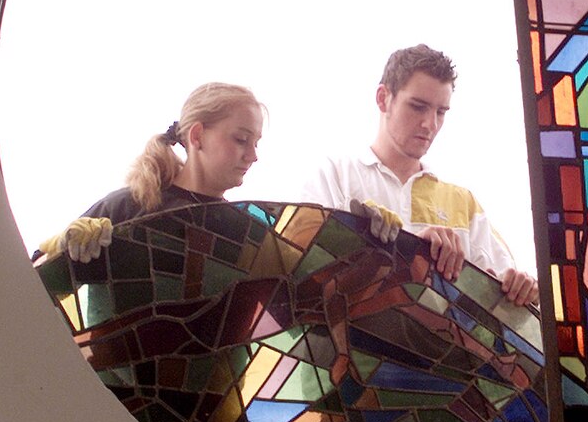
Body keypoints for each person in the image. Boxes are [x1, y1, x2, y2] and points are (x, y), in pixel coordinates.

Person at [301, 44, 539, 307]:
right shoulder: (335, 176)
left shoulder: (463, 203)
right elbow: (303, 273)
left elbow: (506, 308)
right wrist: (399, 247)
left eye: (441, 112)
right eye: (418, 107)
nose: (430, 124)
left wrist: (521, 289)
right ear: (383, 98)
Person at [36, 82, 264, 262]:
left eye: (256, 143)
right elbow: (29, 279)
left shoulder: (246, 232)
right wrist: (61, 248)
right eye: (241, 139)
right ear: (197, 136)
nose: (253, 156)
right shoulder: (128, 206)